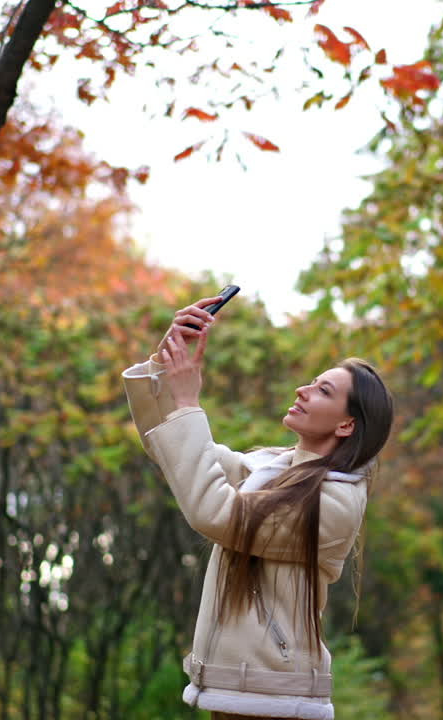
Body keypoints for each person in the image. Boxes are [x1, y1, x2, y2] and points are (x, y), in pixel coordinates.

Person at [122, 296, 394, 720]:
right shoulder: (271, 468)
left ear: (346, 425)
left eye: (323, 390)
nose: (303, 390)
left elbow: (214, 512)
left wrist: (189, 402)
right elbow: (176, 450)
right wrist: (165, 363)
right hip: (244, 693)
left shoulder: (334, 503)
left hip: (275, 701)